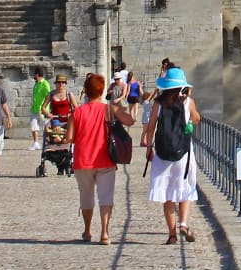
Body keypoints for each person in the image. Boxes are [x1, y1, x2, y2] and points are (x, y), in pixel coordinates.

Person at [65, 72, 134, 244]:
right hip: (105, 159)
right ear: (102, 91)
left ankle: (88, 231)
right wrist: (118, 109)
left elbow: (69, 138)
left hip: (83, 160)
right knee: (106, 196)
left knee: (86, 197)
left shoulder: (77, 112)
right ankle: (104, 232)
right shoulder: (108, 109)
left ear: (86, 91)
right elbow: (130, 121)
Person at [143, 65, 201, 243]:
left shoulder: (158, 104)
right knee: (185, 189)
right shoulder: (187, 102)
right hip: (183, 152)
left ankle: (172, 235)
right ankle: (183, 223)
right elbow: (196, 119)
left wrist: (149, 148)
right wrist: (189, 98)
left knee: (168, 196)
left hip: (162, 152)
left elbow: (151, 127)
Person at [29, 66, 52, 150]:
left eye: (34, 74)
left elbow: (48, 97)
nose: (33, 75)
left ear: (37, 74)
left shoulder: (45, 84)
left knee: (45, 127)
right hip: (34, 109)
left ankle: (47, 143)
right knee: (34, 126)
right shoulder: (36, 84)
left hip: (42, 110)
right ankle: (36, 143)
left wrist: (43, 107)